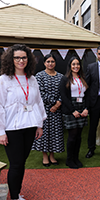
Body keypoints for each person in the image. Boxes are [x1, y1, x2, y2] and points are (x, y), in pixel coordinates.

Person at [0, 44, 47, 200]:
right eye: (17, 57)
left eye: (24, 57)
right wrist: (1, 132)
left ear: (29, 59)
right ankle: (14, 197)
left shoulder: (32, 79)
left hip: (30, 126)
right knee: (16, 164)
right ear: (11, 59)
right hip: (12, 128)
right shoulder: (4, 80)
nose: (21, 60)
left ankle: (16, 193)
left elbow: (38, 102)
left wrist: (40, 124)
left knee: (22, 162)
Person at [32, 54, 64, 167]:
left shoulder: (61, 76)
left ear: (55, 63)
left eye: (52, 61)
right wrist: (53, 104)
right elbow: (39, 92)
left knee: (55, 133)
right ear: (44, 63)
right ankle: (45, 155)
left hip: (57, 111)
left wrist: (58, 103)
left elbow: (63, 92)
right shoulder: (39, 76)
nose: (50, 64)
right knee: (45, 133)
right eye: (48, 61)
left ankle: (52, 155)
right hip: (44, 109)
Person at [60, 57, 89, 169]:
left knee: (79, 136)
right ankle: (69, 159)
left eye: (77, 64)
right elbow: (64, 96)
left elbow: (87, 95)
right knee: (72, 136)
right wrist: (73, 111)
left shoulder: (83, 78)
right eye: (73, 64)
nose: (76, 66)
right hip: (70, 108)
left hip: (82, 106)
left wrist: (86, 108)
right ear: (70, 66)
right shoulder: (65, 79)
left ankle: (76, 158)